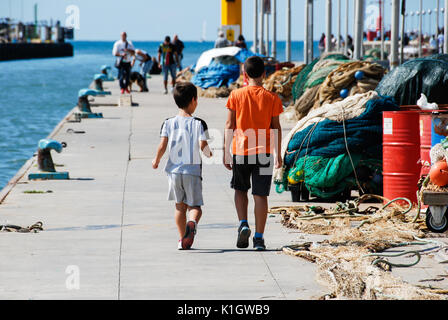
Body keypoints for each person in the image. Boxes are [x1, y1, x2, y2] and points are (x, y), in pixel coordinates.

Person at [223, 56, 283, 251]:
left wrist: (225, 151)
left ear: (244, 74)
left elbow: (230, 125)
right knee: (260, 196)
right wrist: (278, 154)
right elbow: (276, 128)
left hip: (241, 150)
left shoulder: (236, 95)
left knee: (240, 190)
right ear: (265, 74)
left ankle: (243, 223)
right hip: (264, 152)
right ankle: (258, 238)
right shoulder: (272, 98)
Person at [152, 82, 212, 250]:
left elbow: (162, 145)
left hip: (173, 172)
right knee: (195, 207)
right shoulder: (199, 123)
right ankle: (192, 223)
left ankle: (181, 239)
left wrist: (156, 160)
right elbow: (203, 145)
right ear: (193, 100)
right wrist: (209, 153)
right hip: (192, 172)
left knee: (179, 206)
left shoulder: (168, 122)